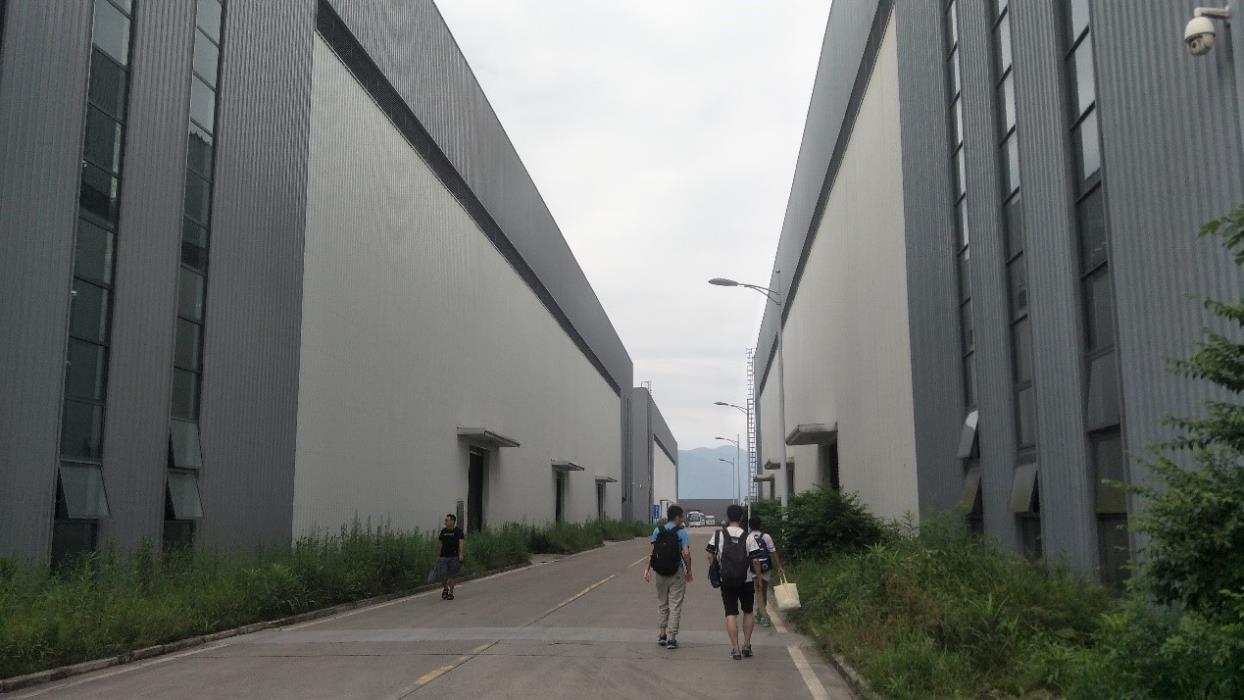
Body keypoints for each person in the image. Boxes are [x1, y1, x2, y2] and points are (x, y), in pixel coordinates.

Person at [706, 504, 762, 660]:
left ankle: (735, 649)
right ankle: (747, 646)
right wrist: (758, 578)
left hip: (726, 580)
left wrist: (716, 567)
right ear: (742, 517)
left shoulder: (719, 535)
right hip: (747, 580)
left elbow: (710, 555)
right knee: (748, 611)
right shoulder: (748, 536)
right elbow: (755, 560)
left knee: (730, 613)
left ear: (727, 517)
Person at [644, 505, 693, 649]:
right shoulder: (681, 532)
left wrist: (647, 569)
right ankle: (672, 638)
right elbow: (686, 553)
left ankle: (662, 634)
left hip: (659, 572)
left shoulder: (657, 530)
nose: (682, 519)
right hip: (676, 572)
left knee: (662, 603)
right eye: (681, 516)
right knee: (675, 605)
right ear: (677, 517)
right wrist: (689, 571)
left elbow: (652, 552)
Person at [748, 515, 785, 627]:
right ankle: (760, 614)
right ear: (760, 525)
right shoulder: (766, 536)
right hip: (766, 568)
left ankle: (764, 617)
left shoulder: (748, 538)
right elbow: (773, 552)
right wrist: (779, 566)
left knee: (758, 592)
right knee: (763, 591)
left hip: (754, 570)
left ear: (750, 526)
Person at [437, 513, 465, 600]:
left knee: (452, 576)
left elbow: (461, 543)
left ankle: (451, 593)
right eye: (445, 520)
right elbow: (440, 544)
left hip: (454, 557)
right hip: (444, 557)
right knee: (442, 574)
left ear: (452, 521)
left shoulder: (458, 532)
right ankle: (445, 588)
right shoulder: (443, 531)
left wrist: (461, 554)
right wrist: (438, 555)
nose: (445, 522)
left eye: (447, 520)